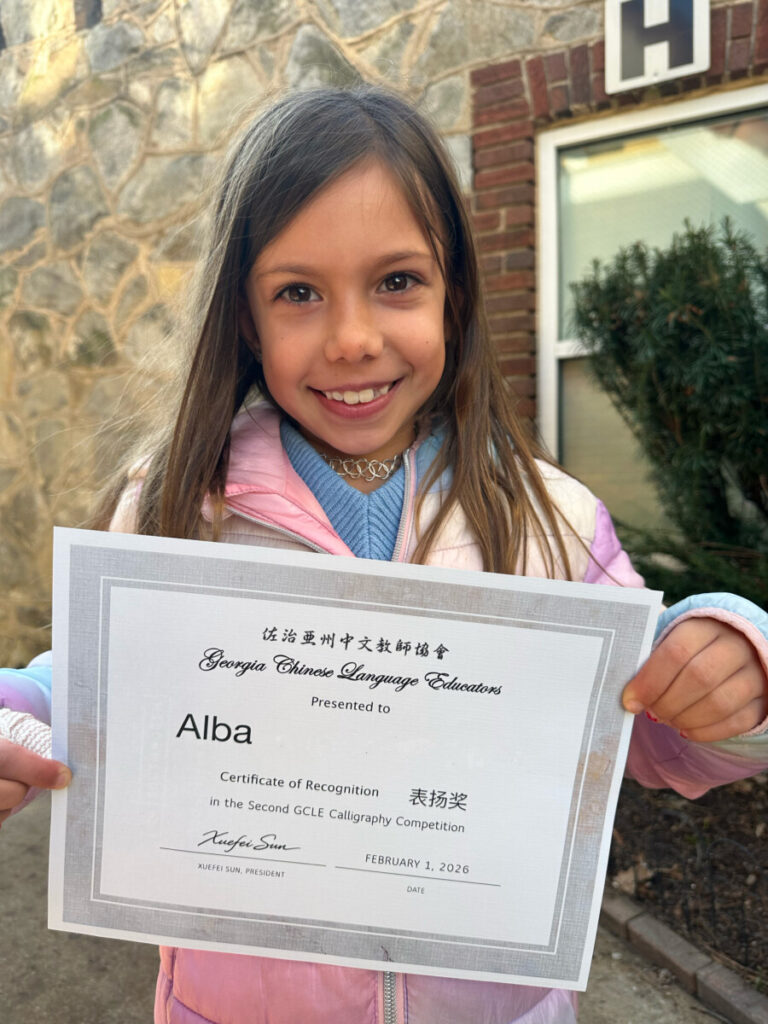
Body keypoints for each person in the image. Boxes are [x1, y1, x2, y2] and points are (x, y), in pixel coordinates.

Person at [1, 84, 767, 1024]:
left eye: (397, 281)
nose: (354, 338)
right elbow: (92, 684)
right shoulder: (175, 502)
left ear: (455, 295)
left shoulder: (549, 519)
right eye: (298, 293)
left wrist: (729, 663)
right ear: (245, 318)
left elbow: (648, 724)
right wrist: (21, 713)